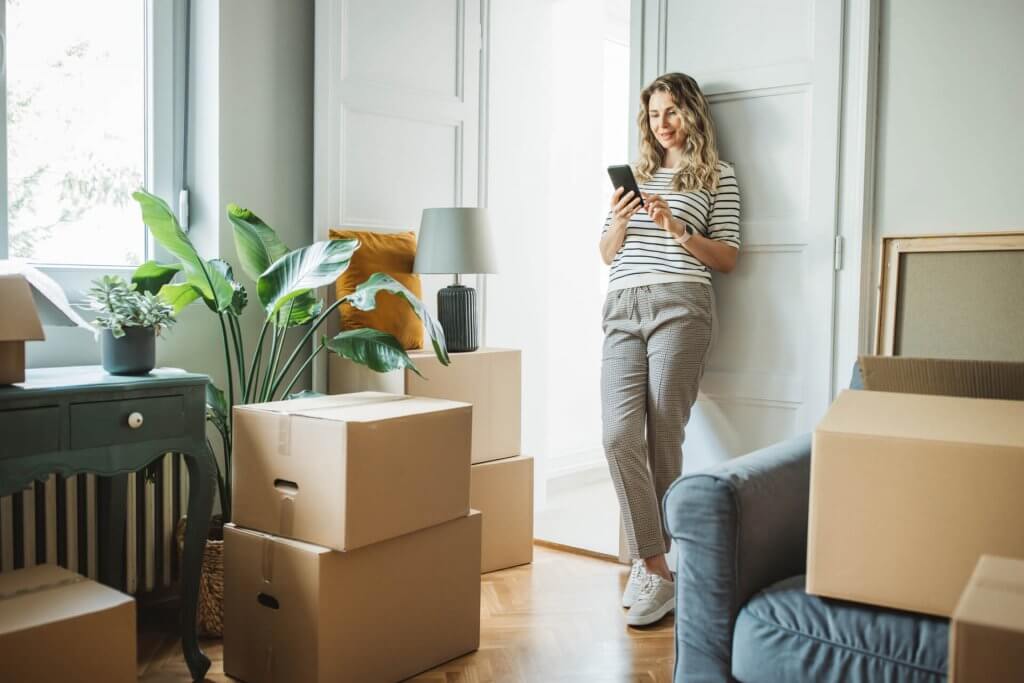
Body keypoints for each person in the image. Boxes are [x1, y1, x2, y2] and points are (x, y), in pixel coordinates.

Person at [598, 72, 740, 627]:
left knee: (662, 435)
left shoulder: (717, 176)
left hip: (681, 303)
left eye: (673, 112)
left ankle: (657, 570)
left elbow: (727, 256)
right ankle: (656, 566)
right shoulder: (633, 180)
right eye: (655, 115)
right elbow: (607, 253)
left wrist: (677, 228)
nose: (663, 124)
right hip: (621, 307)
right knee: (617, 434)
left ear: (692, 114)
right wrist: (623, 220)